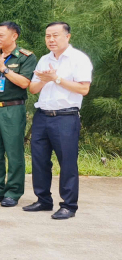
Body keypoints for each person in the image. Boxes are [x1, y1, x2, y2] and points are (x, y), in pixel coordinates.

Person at [25, 22, 92, 220]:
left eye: (55, 35)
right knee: (39, 160)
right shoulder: (44, 59)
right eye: (48, 36)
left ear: (67, 36)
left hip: (65, 117)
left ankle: (69, 205)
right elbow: (33, 89)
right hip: (42, 116)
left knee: (67, 162)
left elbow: (83, 89)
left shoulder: (78, 59)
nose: (51, 40)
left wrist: (56, 78)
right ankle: (43, 199)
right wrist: (45, 80)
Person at [0, 21, 37, 207]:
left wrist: (4, 68)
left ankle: (13, 192)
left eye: (1, 35)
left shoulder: (25, 57)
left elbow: (24, 83)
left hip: (13, 108)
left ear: (14, 36)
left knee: (13, 151)